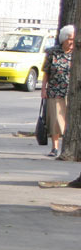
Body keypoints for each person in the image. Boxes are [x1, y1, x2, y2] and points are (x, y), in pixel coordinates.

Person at [41, 24, 74, 157]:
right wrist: (43, 89)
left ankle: (69, 147)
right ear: (63, 39)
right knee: (55, 120)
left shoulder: (77, 53)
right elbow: (46, 72)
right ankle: (55, 148)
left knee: (69, 120)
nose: (72, 42)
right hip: (55, 91)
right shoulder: (52, 52)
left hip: (72, 93)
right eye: (70, 39)